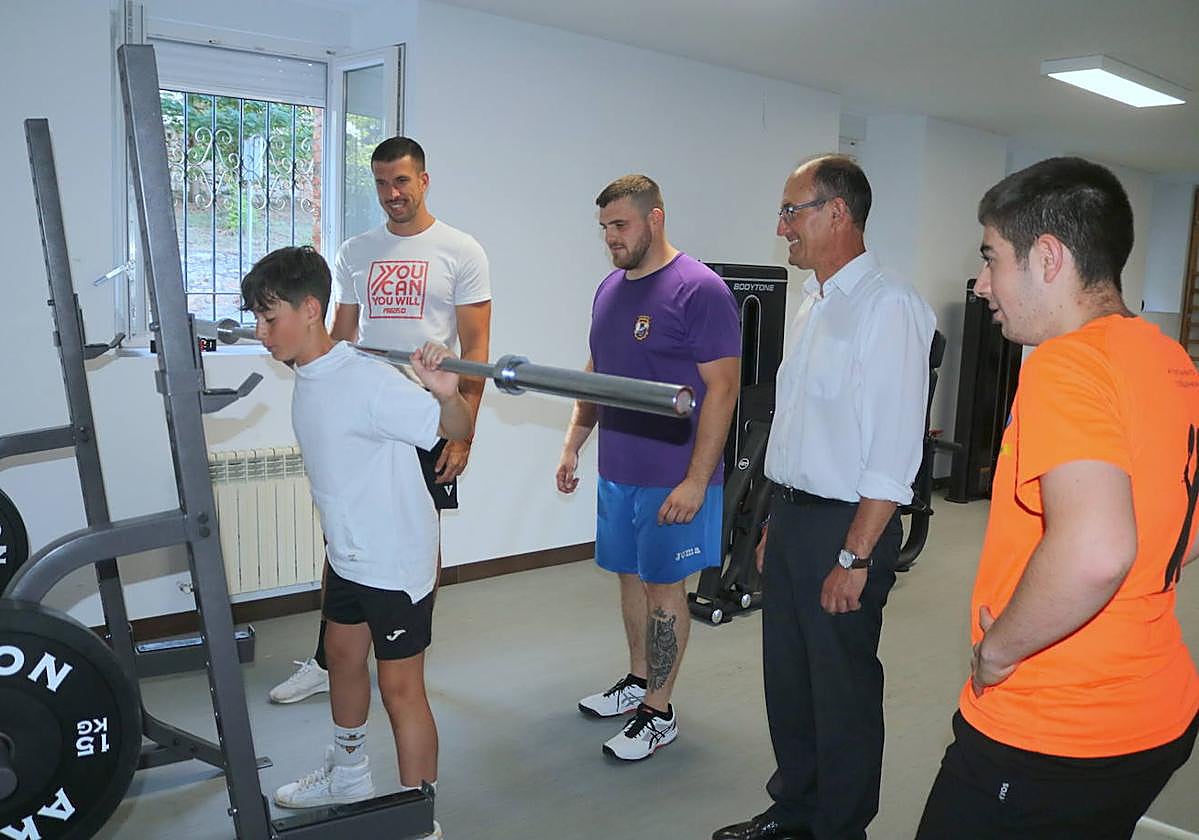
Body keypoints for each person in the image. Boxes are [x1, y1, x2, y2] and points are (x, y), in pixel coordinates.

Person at [915, 157, 1199, 840]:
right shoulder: (1168, 361)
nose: (982, 284)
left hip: (1053, 728)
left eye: (991, 258)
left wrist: (999, 650)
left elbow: (1096, 553)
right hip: (1154, 714)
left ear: (1046, 257)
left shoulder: (1067, 365)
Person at [714, 154, 935, 840]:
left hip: (848, 525)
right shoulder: (813, 301)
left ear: (836, 212)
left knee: (838, 690)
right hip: (798, 516)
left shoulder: (889, 308)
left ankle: (839, 828)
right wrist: (778, 518)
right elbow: (802, 424)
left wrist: (855, 554)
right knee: (789, 679)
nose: (780, 226)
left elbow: (893, 453)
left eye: (791, 210)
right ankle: (796, 810)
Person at [240, 246, 470, 836]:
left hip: (393, 562)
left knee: (400, 689)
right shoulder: (311, 373)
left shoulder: (368, 380)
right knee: (341, 660)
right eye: (257, 320)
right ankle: (348, 775)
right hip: (347, 556)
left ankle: (421, 821)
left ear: (311, 309)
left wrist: (447, 394)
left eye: (270, 319)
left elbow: (455, 432)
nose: (261, 332)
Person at [269, 136, 491, 704]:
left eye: (402, 181)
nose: (392, 193)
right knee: (340, 536)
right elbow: (340, 335)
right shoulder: (356, 250)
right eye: (382, 183)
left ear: (424, 180)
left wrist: (465, 436)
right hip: (362, 414)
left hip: (423, 414)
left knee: (422, 537)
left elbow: (476, 348)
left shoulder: (460, 250)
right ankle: (328, 659)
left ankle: (407, 650)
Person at [556, 174, 741, 761]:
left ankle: (659, 710)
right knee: (629, 578)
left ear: (654, 218)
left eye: (621, 225)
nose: (611, 238)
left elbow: (724, 389)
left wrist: (695, 479)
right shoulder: (609, 290)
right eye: (604, 227)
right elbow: (596, 372)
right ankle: (637, 682)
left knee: (666, 591)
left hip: (673, 476)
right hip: (619, 468)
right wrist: (572, 441)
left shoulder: (700, 289)